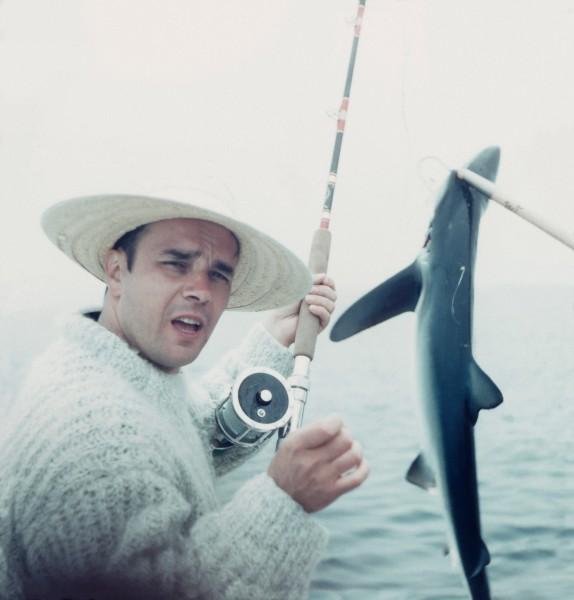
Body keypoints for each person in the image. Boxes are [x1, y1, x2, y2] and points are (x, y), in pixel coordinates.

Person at [0, 190, 369, 600]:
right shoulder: (91, 430)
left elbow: (181, 434)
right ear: (117, 270)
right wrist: (283, 499)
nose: (201, 290)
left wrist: (276, 335)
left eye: (219, 274)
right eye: (176, 263)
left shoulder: (114, 369)